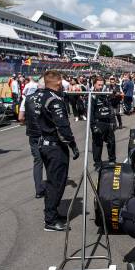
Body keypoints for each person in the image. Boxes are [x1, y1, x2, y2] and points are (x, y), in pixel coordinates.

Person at [37, 70, 80, 232]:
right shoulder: (54, 100)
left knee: (53, 182)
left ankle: (53, 213)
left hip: (44, 143)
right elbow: (62, 126)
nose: (62, 85)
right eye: (61, 82)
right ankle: (50, 220)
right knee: (56, 183)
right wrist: (73, 144)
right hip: (55, 147)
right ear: (57, 83)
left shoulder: (40, 96)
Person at [18, 79, 46, 198]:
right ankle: (52, 188)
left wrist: (28, 123)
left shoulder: (27, 98)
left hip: (33, 134)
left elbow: (20, 117)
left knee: (38, 162)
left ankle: (38, 190)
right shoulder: (50, 97)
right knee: (50, 161)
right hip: (47, 134)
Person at [91, 77, 116, 169]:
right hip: (98, 123)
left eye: (102, 85)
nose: (101, 86)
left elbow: (110, 108)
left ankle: (112, 160)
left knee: (111, 142)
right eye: (99, 85)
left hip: (107, 122)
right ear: (94, 84)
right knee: (97, 144)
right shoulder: (92, 96)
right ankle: (97, 163)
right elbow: (90, 113)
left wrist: (113, 121)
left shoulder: (105, 94)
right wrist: (93, 126)